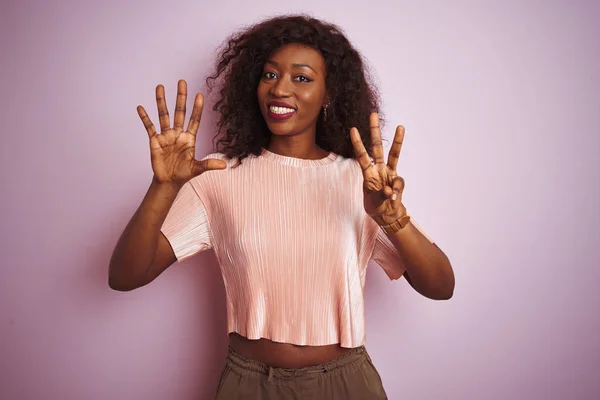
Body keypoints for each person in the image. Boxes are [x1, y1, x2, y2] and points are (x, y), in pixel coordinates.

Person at [108, 14, 455, 399]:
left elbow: (441, 286)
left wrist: (393, 220)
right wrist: (163, 188)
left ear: (329, 94)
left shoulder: (362, 183)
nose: (279, 89)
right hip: (249, 386)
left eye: (301, 78)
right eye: (270, 75)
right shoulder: (218, 177)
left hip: (344, 385)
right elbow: (126, 276)